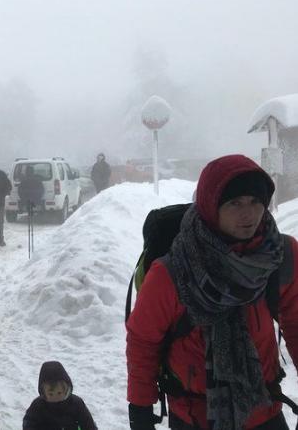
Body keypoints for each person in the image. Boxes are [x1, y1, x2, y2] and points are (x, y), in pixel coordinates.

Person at [127, 155, 298, 430]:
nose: (249, 214)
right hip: (194, 417)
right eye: (235, 203)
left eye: (256, 202)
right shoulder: (173, 270)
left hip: (263, 410)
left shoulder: (280, 256)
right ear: (210, 206)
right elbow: (143, 341)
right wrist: (140, 408)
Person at [23, 361, 98, 430]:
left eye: (59, 393)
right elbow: (29, 423)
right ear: (43, 392)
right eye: (51, 394)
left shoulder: (76, 403)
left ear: (66, 389)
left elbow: (88, 423)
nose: (55, 398)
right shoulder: (38, 406)